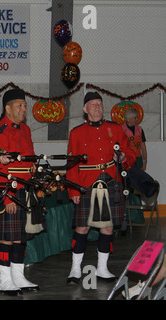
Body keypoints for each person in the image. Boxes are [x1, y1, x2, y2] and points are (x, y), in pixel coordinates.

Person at [66, 91, 136, 284]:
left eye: (100, 104)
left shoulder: (115, 129)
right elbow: (72, 164)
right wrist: (73, 190)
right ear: (85, 109)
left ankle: (102, 269)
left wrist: (123, 157)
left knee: (107, 226)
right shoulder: (76, 133)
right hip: (86, 182)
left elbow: (130, 152)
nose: (97, 107)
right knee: (82, 227)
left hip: (110, 181)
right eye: (93, 104)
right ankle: (75, 270)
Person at [0, 88, 40, 295]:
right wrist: (6, 197)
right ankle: (5, 279)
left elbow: (30, 156)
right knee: (7, 237)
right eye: (19, 105)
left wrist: (33, 167)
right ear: (7, 108)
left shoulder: (25, 130)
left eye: (25, 105)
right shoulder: (0, 131)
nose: (24, 109)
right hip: (10, 191)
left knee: (20, 236)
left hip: (24, 191)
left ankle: (18, 276)